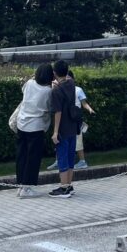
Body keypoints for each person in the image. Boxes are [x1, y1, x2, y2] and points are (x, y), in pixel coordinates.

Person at [15, 63, 53, 198]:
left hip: (22, 123)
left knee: (22, 155)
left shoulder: (29, 83)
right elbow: (49, 107)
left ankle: (20, 185)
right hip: (36, 126)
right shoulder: (48, 91)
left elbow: (23, 91)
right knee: (33, 157)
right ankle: (27, 187)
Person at [48, 70, 95, 170]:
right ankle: (58, 161)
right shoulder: (59, 88)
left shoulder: (77, 89)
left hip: (74, 119)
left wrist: (89, 109)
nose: (66, 79)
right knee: (59, 141)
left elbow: (84, 103)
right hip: (64, 119)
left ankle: (82, 161)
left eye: (68, 77)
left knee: (78, 142)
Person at [49, 60, 80, 198]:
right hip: (73, 125)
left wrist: (55, 132)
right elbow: (65, 79)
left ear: (54, 73)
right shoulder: (71, 84)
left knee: (62, 156)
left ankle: (64, 187)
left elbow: (58, 112)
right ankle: (69, 184)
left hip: (63, 127)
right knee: (70, 156)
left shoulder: (56, 91)